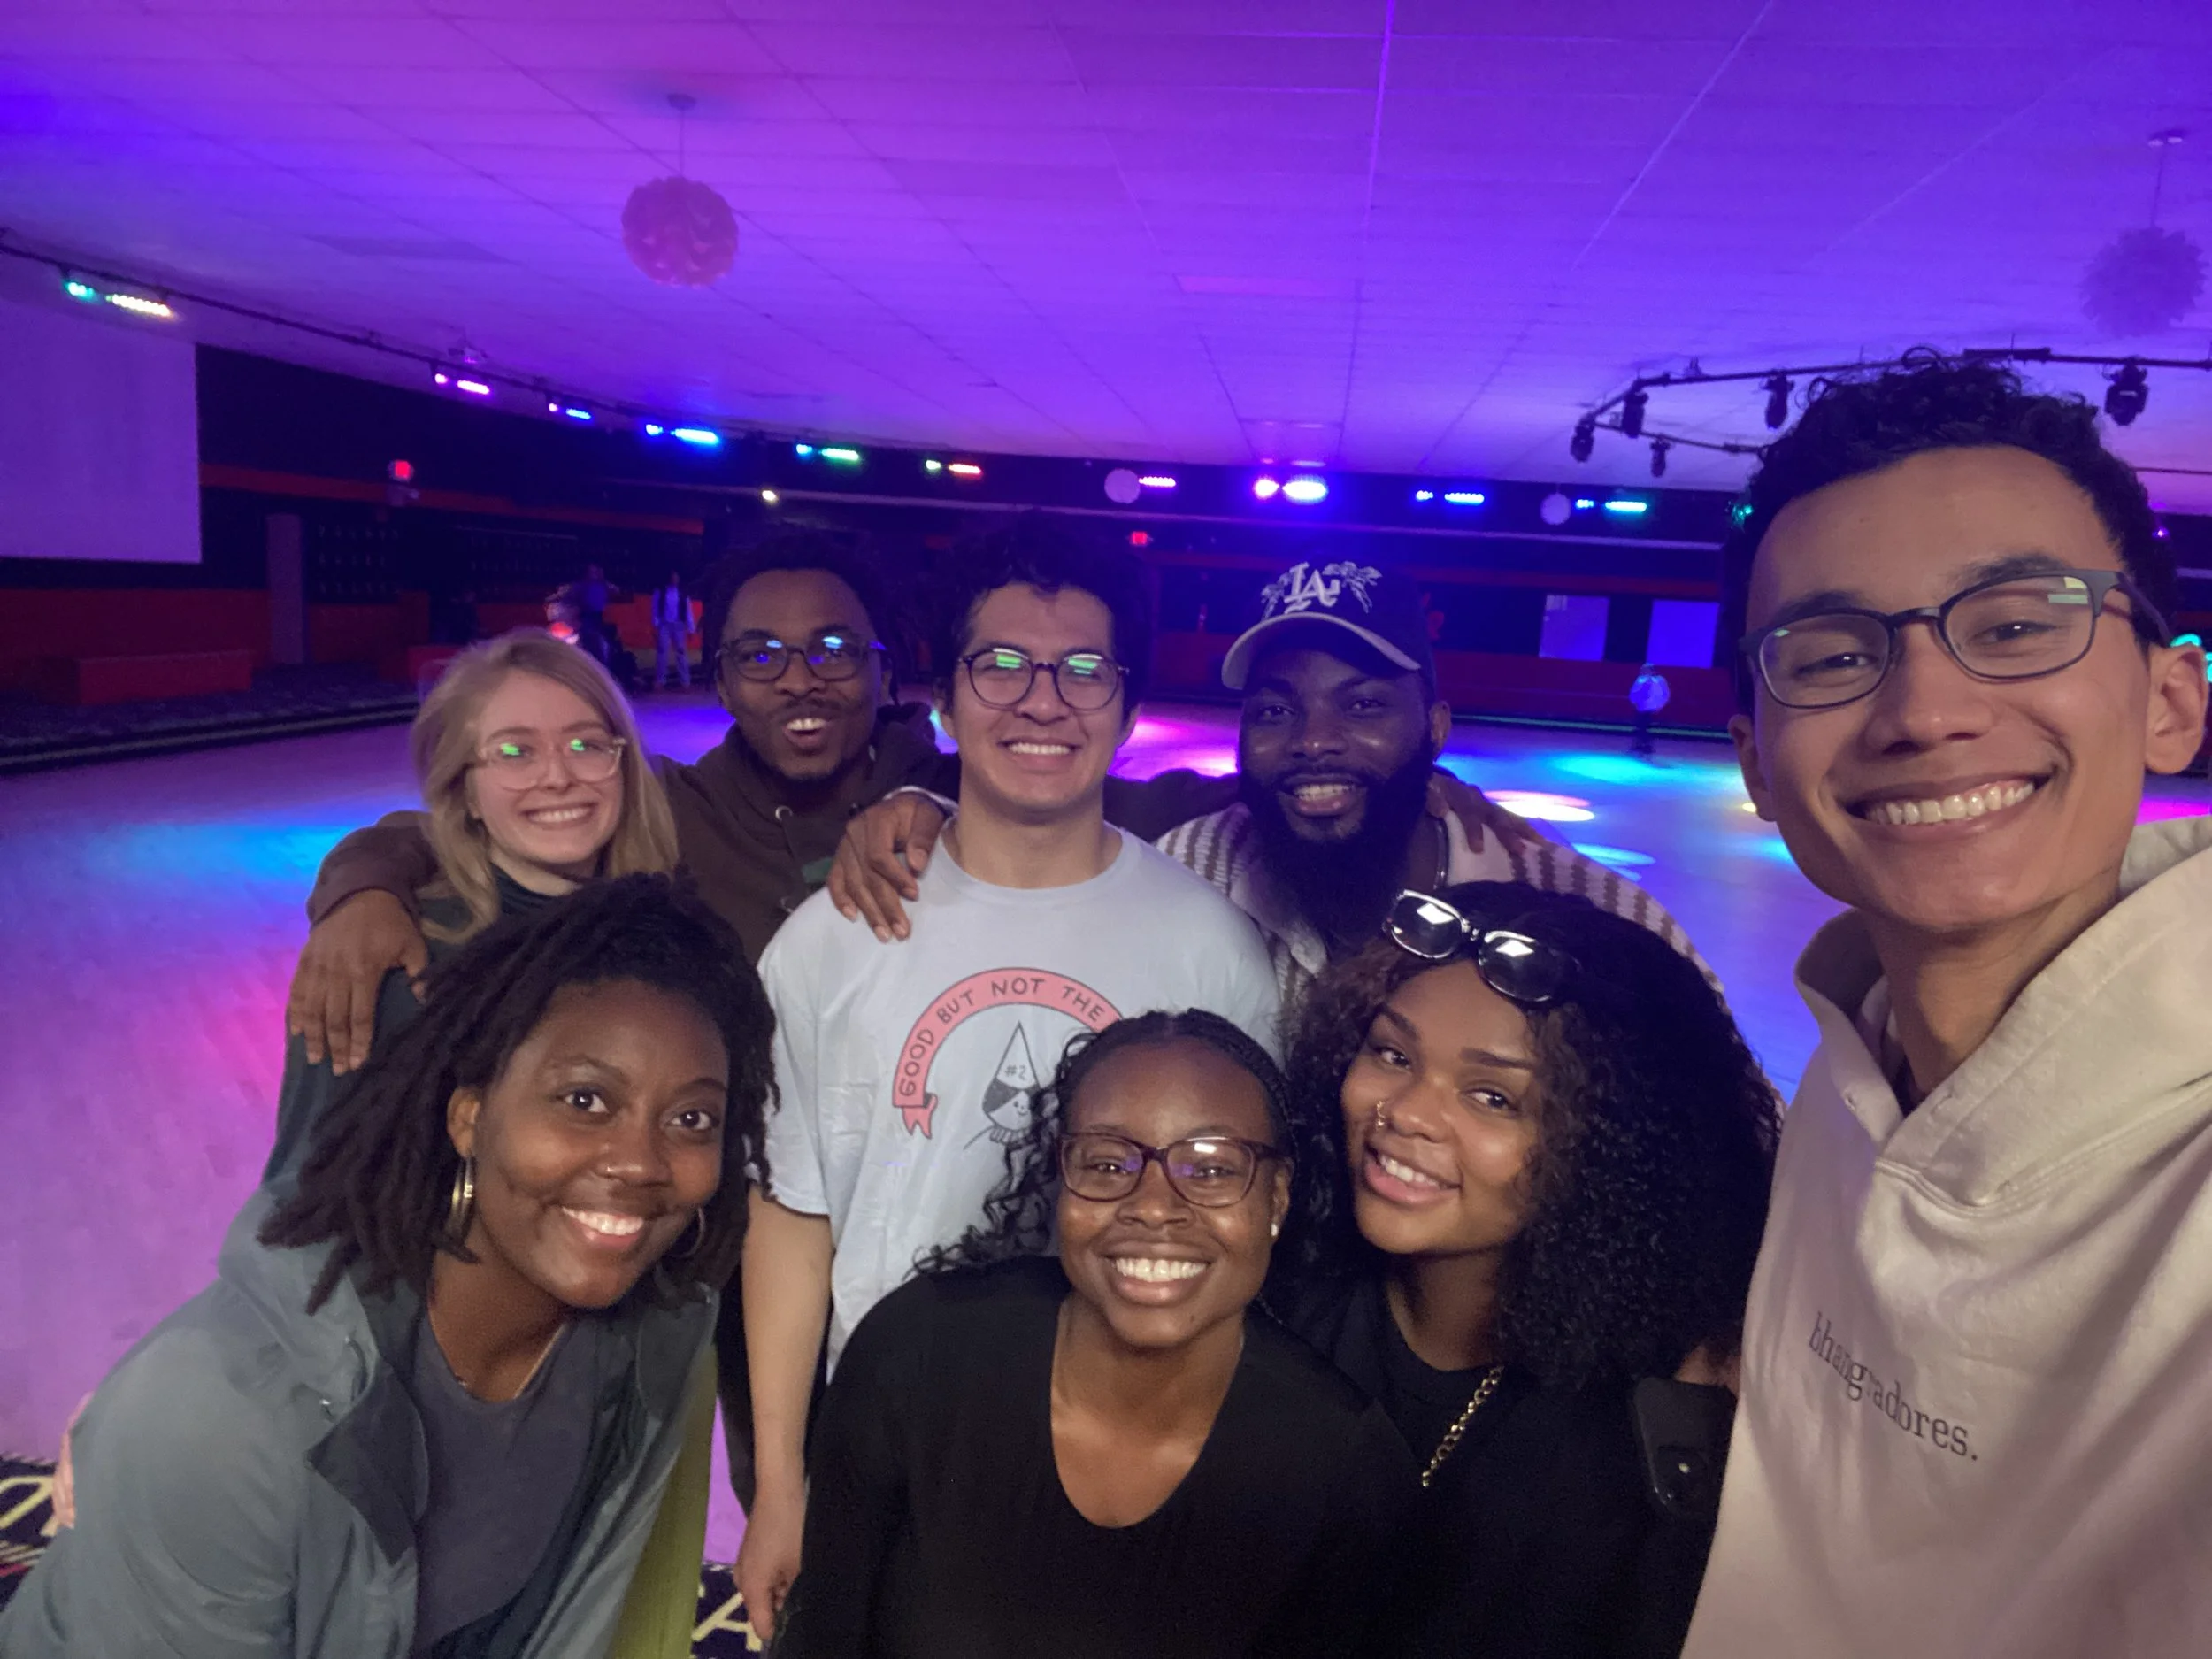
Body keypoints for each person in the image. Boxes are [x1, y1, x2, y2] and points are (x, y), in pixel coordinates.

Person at [1685, 356, 2211, 1655]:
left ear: (2170, 698)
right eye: (1831, 652)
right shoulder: (1853, 1055)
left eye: (2018, 621)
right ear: (1755, 760)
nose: (1925, 708)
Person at [738, 518, 1283, 1637]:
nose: (1044, 701)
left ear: (1127, 708)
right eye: (1002, 665)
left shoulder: (1212, 949)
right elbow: (794, 1219)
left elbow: (1242, 1229)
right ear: (941, 699)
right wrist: (782, 1481)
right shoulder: (827, 939)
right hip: (882, 1437)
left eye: (1085, 670)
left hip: (1125, 1441)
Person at [0, 876, 777, 1657]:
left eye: (690, 1118)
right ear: (469, 1116)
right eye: (584, 1100)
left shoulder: (658, 1330)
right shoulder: (221, 1424)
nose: (641, 1161)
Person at [774, 1010, 1415, 1658]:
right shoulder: (918, 1352)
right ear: (1063, 1178)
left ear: (1275, 1199)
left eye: (1212, 1168)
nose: (1154, 1205)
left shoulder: (1344, 1468)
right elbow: (824, 1633)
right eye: (1108, 1163)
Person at [1275, 881, 1778, 1656]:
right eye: (1391, 1053)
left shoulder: (1665, 1424)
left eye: (1492, 1097)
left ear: (1605, 1148)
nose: (1406, 1112)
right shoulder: (1272, 1306)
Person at [833, 558, 1703, 1002]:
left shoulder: (1602, 926)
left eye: (1362, 707)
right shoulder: (1186, 869)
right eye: (1277, 711)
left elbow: (1729, 1155)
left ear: (1434, 728)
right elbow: (1054, 829)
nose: (1313, 743)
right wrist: (922, 804)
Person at [262, 628, 679, 1187]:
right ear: (464, 791)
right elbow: (301, 1201)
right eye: (514, 752)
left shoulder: (667, 939)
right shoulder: (391, 965)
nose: (558, 777)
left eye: (586, 745)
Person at [652, 568, 693, 690]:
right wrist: (656, 625)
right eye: (673, 577)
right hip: (664, 625)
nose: (675, 579)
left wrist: (690, 628)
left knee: (681, 653)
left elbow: (688, 612)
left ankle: (685, 682)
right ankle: (660, 681)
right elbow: (655, 609)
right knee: (662, 653)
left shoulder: (683, 593)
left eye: (677, 577)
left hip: (679, 625)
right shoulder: (660, 592)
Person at [1628, 663, 1669, 758]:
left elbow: (1664, 694)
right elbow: (1634, 692)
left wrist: (1660, 706)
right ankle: (1639, 745)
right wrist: (1634, 702)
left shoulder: (1659, 680)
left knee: (1645, 727)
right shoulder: (1640, 680)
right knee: (1640, 726)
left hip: (1652, 707)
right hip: (1641, 707)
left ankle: (1646, 746)